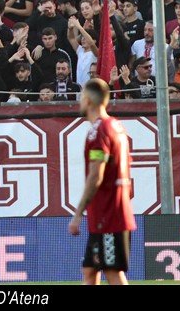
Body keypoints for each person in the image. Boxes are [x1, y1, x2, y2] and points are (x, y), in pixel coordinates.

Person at [68, 78, 136, 285]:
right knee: (90, 270)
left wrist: (78, 212)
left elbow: (96, 175)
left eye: (81, 97)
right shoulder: (116, 126)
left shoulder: (98, 131)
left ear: (88, 99)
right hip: (106, 212)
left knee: (112, 271)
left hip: (109, 213)